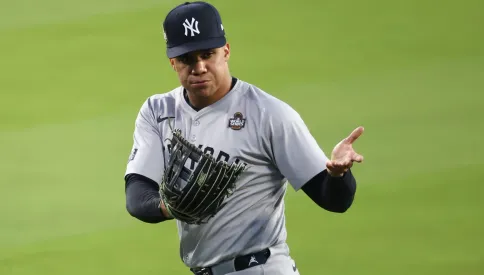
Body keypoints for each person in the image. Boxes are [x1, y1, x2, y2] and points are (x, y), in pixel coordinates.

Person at [124, 1, 365, 274]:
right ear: (172, 63)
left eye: (207, 54)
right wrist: (170, 208)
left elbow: (334, 200)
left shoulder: (268, 114)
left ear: (225, 51)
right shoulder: (158, 111)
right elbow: (137, 195)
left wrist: (338, 175)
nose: (199, 67)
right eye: (187, 59)